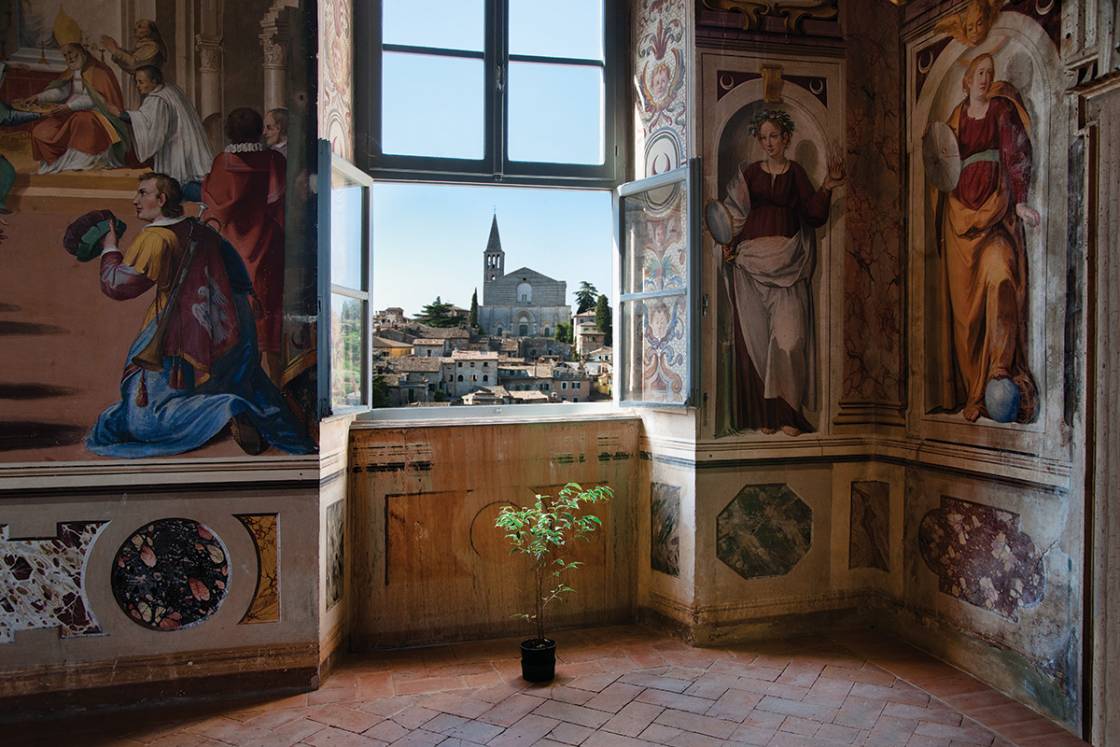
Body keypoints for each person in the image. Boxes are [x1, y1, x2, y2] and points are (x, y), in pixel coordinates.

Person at [84, 172, 313, 457]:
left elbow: (119, 285)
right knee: (249, 383)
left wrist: (109, 246)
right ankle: (244, 409)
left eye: (143, 193)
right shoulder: (202, 230)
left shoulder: (156, 238)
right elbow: (240, 278)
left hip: (187, 337)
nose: (135, 200)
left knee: (142, 423)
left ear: (162, 199)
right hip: (233, 332)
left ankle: (228, 408)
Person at [716, 109, 843, 436]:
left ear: (786, 139)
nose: (769, 143)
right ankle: (765, 417)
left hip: (788, 266)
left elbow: (814, 214)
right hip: (750, 266)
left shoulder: (796, 173)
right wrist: (727, 241)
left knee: (788, 340)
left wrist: (827, 186)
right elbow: (732, 215)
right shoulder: (751, 175)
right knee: (754, 339)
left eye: (775, 136)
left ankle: (789, 414)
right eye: (764, 138)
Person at [932, 53, 1039, 422]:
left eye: (989, 74)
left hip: (996, 215)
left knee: (1002, 276)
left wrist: (1021, 201)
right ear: (965, 80)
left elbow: (1016, 153)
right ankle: (974, 395)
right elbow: (940, 164)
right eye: (978, 73)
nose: (983, 78)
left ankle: (999, 368)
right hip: (959, 219)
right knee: (966, 315)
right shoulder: (954, 120)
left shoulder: (1000, 112)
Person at [201, 108, 287, 383]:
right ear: (259, 129)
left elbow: (214, 207)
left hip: (232, 245)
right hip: (266, 242)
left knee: (233, 304)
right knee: (266, 303)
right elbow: (278, 199)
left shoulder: (222, 162)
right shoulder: (273, 159)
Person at [15, 41, 129, 174]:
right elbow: (61, 91)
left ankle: (81, 162)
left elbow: (93, 99)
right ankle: (55, 163)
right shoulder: (72, 71)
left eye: (70, 52)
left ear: (81, 51)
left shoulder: (99, 71)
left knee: (81, 121)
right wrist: (39, 97)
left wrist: (69, 106)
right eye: (65, 55)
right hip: (69, 111)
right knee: (41, 130)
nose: (68, 57)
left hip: (98, 114)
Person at [106, 66, 212, 192]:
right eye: (136, 82)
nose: (137, 86)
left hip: (175, 147)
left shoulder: (157, 99)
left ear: (154, 81)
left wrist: (119, 114)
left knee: (175, 184)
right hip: (186, 141)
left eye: (141, 82)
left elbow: (148, 123)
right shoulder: (171, 89)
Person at [101, 19, 168, 77]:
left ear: (150, 30)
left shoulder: (152, 47)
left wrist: (115, 50)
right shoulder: (143, 45)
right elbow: (130, 60)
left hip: (148, 83)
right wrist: (116, 49)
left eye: (140, 27)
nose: (135, 29)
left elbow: (134, 63)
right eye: (136, 27)